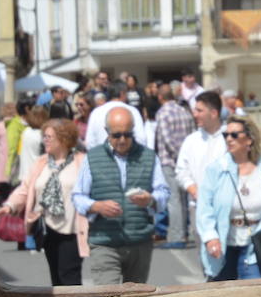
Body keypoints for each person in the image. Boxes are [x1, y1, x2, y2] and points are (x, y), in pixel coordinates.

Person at [72, 106, 168, 285]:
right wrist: (96, 206)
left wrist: (151, 199)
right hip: (104, 241)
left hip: (139, 241)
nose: (122, 140)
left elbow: (163, 192)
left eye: (127, 134)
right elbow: (78, 196)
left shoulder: (148, 156)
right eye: (116, 135)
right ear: (107, 133)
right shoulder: (92, 158)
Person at [197, 117, 261, 280]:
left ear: (249, 139)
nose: (229, 139)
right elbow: (204, 207)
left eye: (234, 135)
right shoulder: (216, 169)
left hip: (254, 245)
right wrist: (210, 237)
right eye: (226, 135)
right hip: (223, 244)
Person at [0, 119, 87, 285]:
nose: (46, 140)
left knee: (70, 278)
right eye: (44, 137)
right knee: (56, 280)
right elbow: (25, 188)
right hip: (47, 230)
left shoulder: (81, 162)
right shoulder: (41, 162)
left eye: (50, 137)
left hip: (72, 230)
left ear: (64, 138)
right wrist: (10, 205)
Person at [154, 82, 196, 246]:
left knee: (174, 200)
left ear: (160, 97)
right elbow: (193, 135)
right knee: (185, 198)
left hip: (169, 160)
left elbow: (166, 138)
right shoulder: (184, 112)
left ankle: (177, 236)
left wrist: (178, 156)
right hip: (185, 161)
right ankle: (187, 232)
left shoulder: (163, 113)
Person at [175, 90, 227, 210]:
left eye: (199, 111)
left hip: (226, 207)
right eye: (195, 110)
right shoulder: (191, 140)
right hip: (197, 207)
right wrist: (194, 190)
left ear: (214, 113)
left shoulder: (229, 138)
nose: (195, 115)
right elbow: (181, 171)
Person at [14, 105, 49, 250]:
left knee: (27, 210)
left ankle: (26, 239)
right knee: (39, 209)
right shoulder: (41, 135)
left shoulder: (25, 133)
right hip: (38, 174)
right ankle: (36, 240)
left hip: (24, 174)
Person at [84, 88, 149, 152]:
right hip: (129, 159)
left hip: (99, 158)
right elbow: (141, 140)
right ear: (122, 93)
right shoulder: (132, 111)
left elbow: (90, 143)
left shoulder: (96, 112)